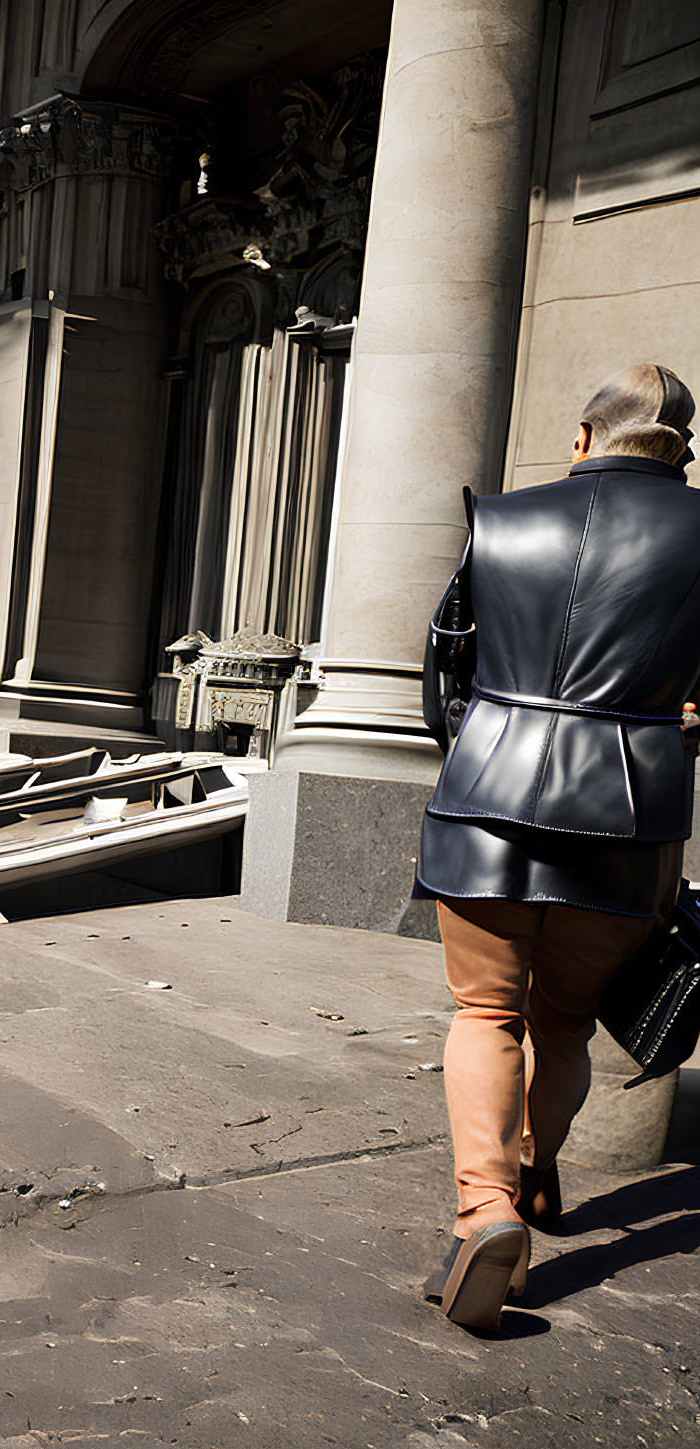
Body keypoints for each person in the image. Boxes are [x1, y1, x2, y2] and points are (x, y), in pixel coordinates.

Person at [414, 363, 700, 1333]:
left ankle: (484, 1211)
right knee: (566, 1024)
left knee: (485, 1009)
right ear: (683, 452)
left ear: (583, 440)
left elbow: (442, 670)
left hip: (490, 788)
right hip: (631, 814)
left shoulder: (502, 519)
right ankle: (536, 1177)